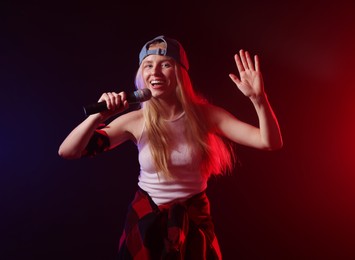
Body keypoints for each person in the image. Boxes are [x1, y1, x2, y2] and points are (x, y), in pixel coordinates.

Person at [58, 35, 283, 259]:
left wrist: (259, 99)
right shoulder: (135, 121)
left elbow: (269, 142)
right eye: (148, 65)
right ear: (141, 74)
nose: (155, 72)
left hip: (194, 220)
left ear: (179, 73)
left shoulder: (206, 116)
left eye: (165, 64)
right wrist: (97, 117)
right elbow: (69, 151)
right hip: (146, 221)